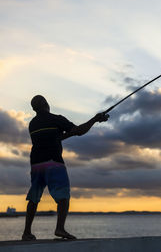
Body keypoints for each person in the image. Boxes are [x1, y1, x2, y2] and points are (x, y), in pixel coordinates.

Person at [22, 95, 109, 241]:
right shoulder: (56, 119)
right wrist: (94, 119)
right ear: (45, 104)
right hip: (53, 163)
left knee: (34, 198)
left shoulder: (33, 124)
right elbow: (79, 131)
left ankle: (26, 232)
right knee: (63, 197)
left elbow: (54, 137)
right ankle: (60, 229)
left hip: (36, 164)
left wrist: (71, 133)